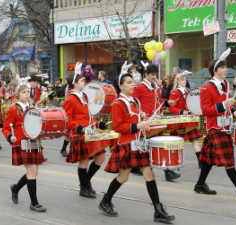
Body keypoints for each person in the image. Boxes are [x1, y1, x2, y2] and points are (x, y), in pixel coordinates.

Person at [98, 72, 175, 222]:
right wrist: (138, 125)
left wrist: (143, 117)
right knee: (123, 177)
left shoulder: (133, 101)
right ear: (120, 86)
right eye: (128, 82)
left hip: (138, 144)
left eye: (133, 82)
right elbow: (118, 127)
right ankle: (105, 200)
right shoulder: (117, 104)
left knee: (149, 175)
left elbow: (135, 118)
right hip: (127, 145)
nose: (132, 84)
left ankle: (158, 210)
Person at [194, 49, 236, 201]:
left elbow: (228, 103)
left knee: (208, 159)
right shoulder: (206, 88)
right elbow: (206, 110)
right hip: (215, 127)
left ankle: (200, 185)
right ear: (215, 70)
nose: (226, 70)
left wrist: (234, 110)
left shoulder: (226, 85)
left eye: (226, 67)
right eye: (222, 67)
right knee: (229, 162)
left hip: (225, 126)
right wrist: (223, 105)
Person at [63, 62, 107, 198]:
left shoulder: (84, 96)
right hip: (80, 134)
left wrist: (97, 123)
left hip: (90, 132)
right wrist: (79, 128)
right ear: (75, 83)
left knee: (101, 157)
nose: (84, 82)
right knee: (84, 161)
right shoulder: (70, 99)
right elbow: (67, 120)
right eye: (82, 80)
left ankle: (86, 183)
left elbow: (88, 116)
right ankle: (84, 188)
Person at [132, 64, 180, 181]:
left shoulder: (154, 87)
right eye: (152, 75)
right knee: (153, 145)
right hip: (147, 121)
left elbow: (158, 101)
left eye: (155, 75)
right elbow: (132, 103)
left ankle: (166, 171)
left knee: (159, 144)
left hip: (156, 120)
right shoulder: (140, 88)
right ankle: (166, 171)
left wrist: (167, 102)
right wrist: (140, 113)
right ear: (146, 74)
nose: (154, 77)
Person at [3, 85, 47, 212]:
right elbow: (6, 128)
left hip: (34, 142)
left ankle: (15, 188)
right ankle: (34, 203)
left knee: (34, 172)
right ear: (18, 95)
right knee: (32, 172)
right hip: (21, 143)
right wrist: (10, 136)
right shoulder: (13, 110)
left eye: (28, 92)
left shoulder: (33, 108)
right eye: (23, 92)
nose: (27, 94)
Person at [168, 72, 203, 167]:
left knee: (195, 140)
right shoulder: (174, 92)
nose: (185, 81)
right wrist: (181, 112)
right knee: (177, 143)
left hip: (189, 122)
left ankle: (201, 162)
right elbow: (171, 108)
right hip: (179, 122)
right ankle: (174, 162)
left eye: (185, 79)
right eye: (183, 79)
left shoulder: (188, 91)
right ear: (178, 81)